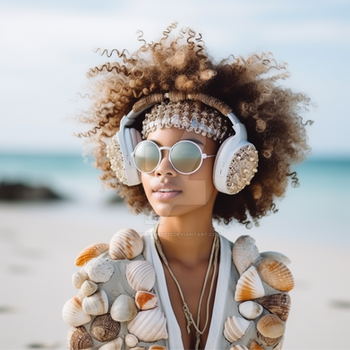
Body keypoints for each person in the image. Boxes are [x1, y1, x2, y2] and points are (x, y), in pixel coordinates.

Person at [63, 24, 311, 350]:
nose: (162, 169)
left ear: (230, 166)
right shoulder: (108, 278)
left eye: (186, 154)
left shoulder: (262, 280)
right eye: (148, 154)